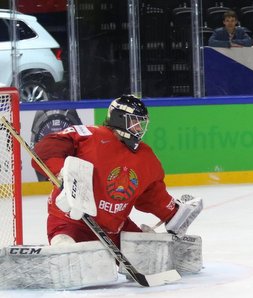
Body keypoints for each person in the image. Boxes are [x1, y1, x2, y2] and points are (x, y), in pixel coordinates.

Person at [32, 95, 203, 248]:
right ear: (119, 119)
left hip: (114, 229)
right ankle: (61, 250)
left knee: (149, 252)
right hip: (71, 221)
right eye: (134, 122)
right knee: (65, 248)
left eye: (141, 123)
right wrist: (61, 173)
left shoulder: (145, 156)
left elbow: (152, 194)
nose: (139, 128)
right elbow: (47, 148)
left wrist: (172, 213)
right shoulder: (90, 135)